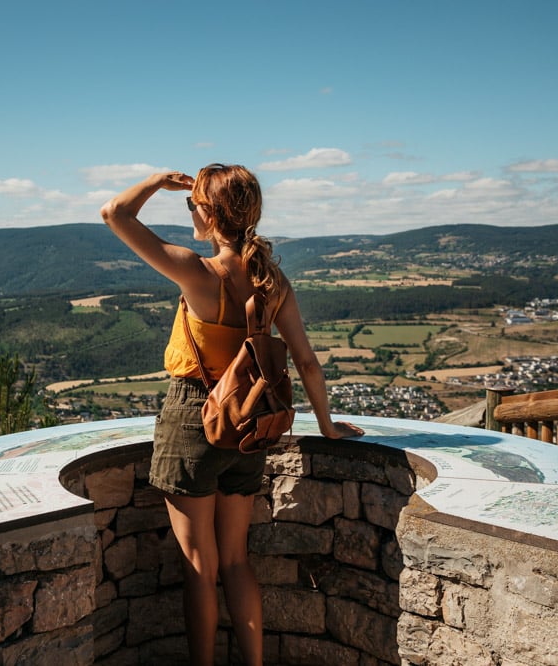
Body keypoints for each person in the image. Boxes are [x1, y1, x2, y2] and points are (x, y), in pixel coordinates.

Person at [101, 163, 363, 666]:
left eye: (193, 205)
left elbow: (115, 213)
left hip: (195, 419)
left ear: (208, 212)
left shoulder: (197, 272)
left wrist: (157, 181)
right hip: (251, 424)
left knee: (201, 566)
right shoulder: (272, 280)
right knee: (238, 561)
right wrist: (326, 425)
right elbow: (305, 360)